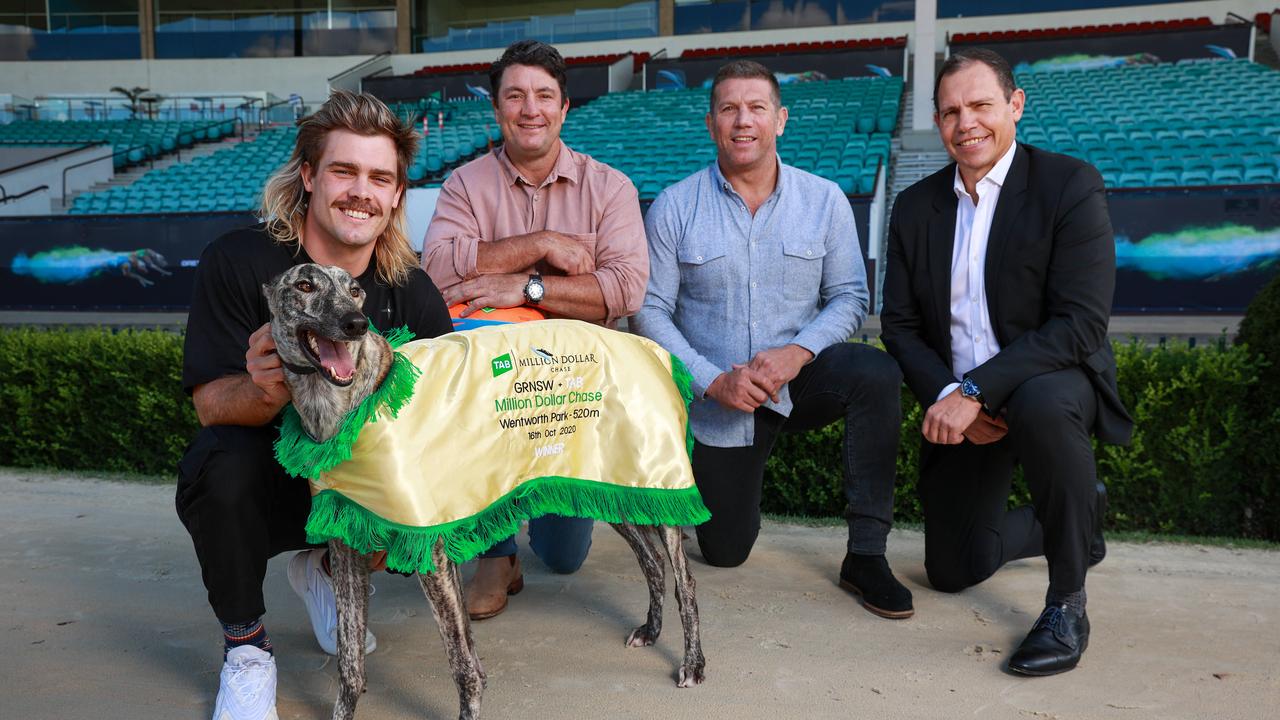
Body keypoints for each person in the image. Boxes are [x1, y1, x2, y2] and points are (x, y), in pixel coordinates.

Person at [176, 90, 453, 719]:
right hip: (271, 483)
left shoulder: (410, 289)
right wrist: (262, 388)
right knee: (218, 467)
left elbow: (438, 424)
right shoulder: (239, 260)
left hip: (355, 487)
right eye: (344, 171)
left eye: (380, 177)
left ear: (397, 196)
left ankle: (328, 567)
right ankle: (247, 653)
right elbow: (210, 404)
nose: (362, 191)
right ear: (308, 175)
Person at [879, 48, 1133, 676]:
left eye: (981, 105)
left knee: (1044, 403)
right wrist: (950, 393)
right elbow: (901, 325)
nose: (966, 122)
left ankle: (1066, 604)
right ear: (937, 122)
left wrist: (977, 389)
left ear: (1015, 105)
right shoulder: (915, 208)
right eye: (950, 111)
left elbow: (1080, 324)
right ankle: (1076, 515)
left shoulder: (1068, 184)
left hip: (1049, 382)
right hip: (963, 399)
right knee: (952, 570)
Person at [632, 60, 912, 619]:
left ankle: (866, 555)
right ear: (711, 123)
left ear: (780, 119)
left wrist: (797, 352)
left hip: (801, 379)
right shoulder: (673, 206)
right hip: (722, 397)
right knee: (726, 552)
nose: (744, 121)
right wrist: (713, 380)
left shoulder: (825, 200)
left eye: (757, 107)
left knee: (876, 375)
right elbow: (650, 313)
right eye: (730, 109)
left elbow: (850, 298)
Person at [422, 39, 647, 621]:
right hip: (490, 386)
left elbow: (625, 288)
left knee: (564, 557)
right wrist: (543, 246)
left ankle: (537, 541)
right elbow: (439, 270)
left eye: (544, 95)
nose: (531, 109)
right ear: (497, 110)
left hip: (573, 388)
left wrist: (526, 288)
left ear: (565, 107)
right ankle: (495, 552)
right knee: (471, 399)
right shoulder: (464, 185)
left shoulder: (611, 188)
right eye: (515, 96)